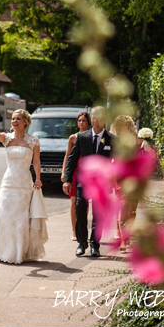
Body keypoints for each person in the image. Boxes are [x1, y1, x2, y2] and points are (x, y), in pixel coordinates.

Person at [0, 109, 48, 264]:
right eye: (13, 119)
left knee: (20, 219)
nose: (14, 121)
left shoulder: (33, 141)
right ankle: (1, 250)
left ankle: (19, 252)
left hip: (24, 184)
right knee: (2, 216)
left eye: (18, 118)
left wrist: (38, 178)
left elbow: (36, 161)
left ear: (25, 121)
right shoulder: (6, 138)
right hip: (8, 183)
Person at [63, 106, 114, 258]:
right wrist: (67, 180)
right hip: (82, 181)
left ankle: (95, 245)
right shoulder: (82, 136)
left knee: (98, 214)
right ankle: (82, 242)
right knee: (79, 209)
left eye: (98, 117)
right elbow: (71, 159)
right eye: (93, 117)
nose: (95, 120)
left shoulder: (112, 139)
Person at [61, 112, 91, 241]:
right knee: (74, 202)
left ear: (88, 123)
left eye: (84, 120)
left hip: (87, 173)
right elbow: (68, 156)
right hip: (74, 172)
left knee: (85, 203)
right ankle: (74, 230)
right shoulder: (72, 138)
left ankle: (81, 228)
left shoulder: (91, 137)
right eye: (79, 120)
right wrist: (64, 172)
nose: (81, 123)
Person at [110, 115, 139, 250]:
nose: (122, 126)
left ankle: (127, 231)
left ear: (129, 125)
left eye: (124, 123)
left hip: (134, 175)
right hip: (119, 174)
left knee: (132, 208)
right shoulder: (113, 140)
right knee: (122, 204)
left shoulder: (136, 139)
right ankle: (123, 237)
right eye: (119, 124)